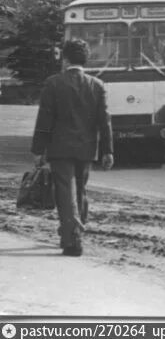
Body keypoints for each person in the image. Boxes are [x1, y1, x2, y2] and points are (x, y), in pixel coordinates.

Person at [31, 38, 114, 257]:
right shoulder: (97, 85)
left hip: (60, 149)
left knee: (65, 192)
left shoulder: (53, 83)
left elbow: (44, 121)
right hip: (86, 149)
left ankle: (72, 239)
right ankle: (73, 231)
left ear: (65, 59)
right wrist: (108, 151)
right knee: (80, 190)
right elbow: (104, 122)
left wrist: (38, 151)